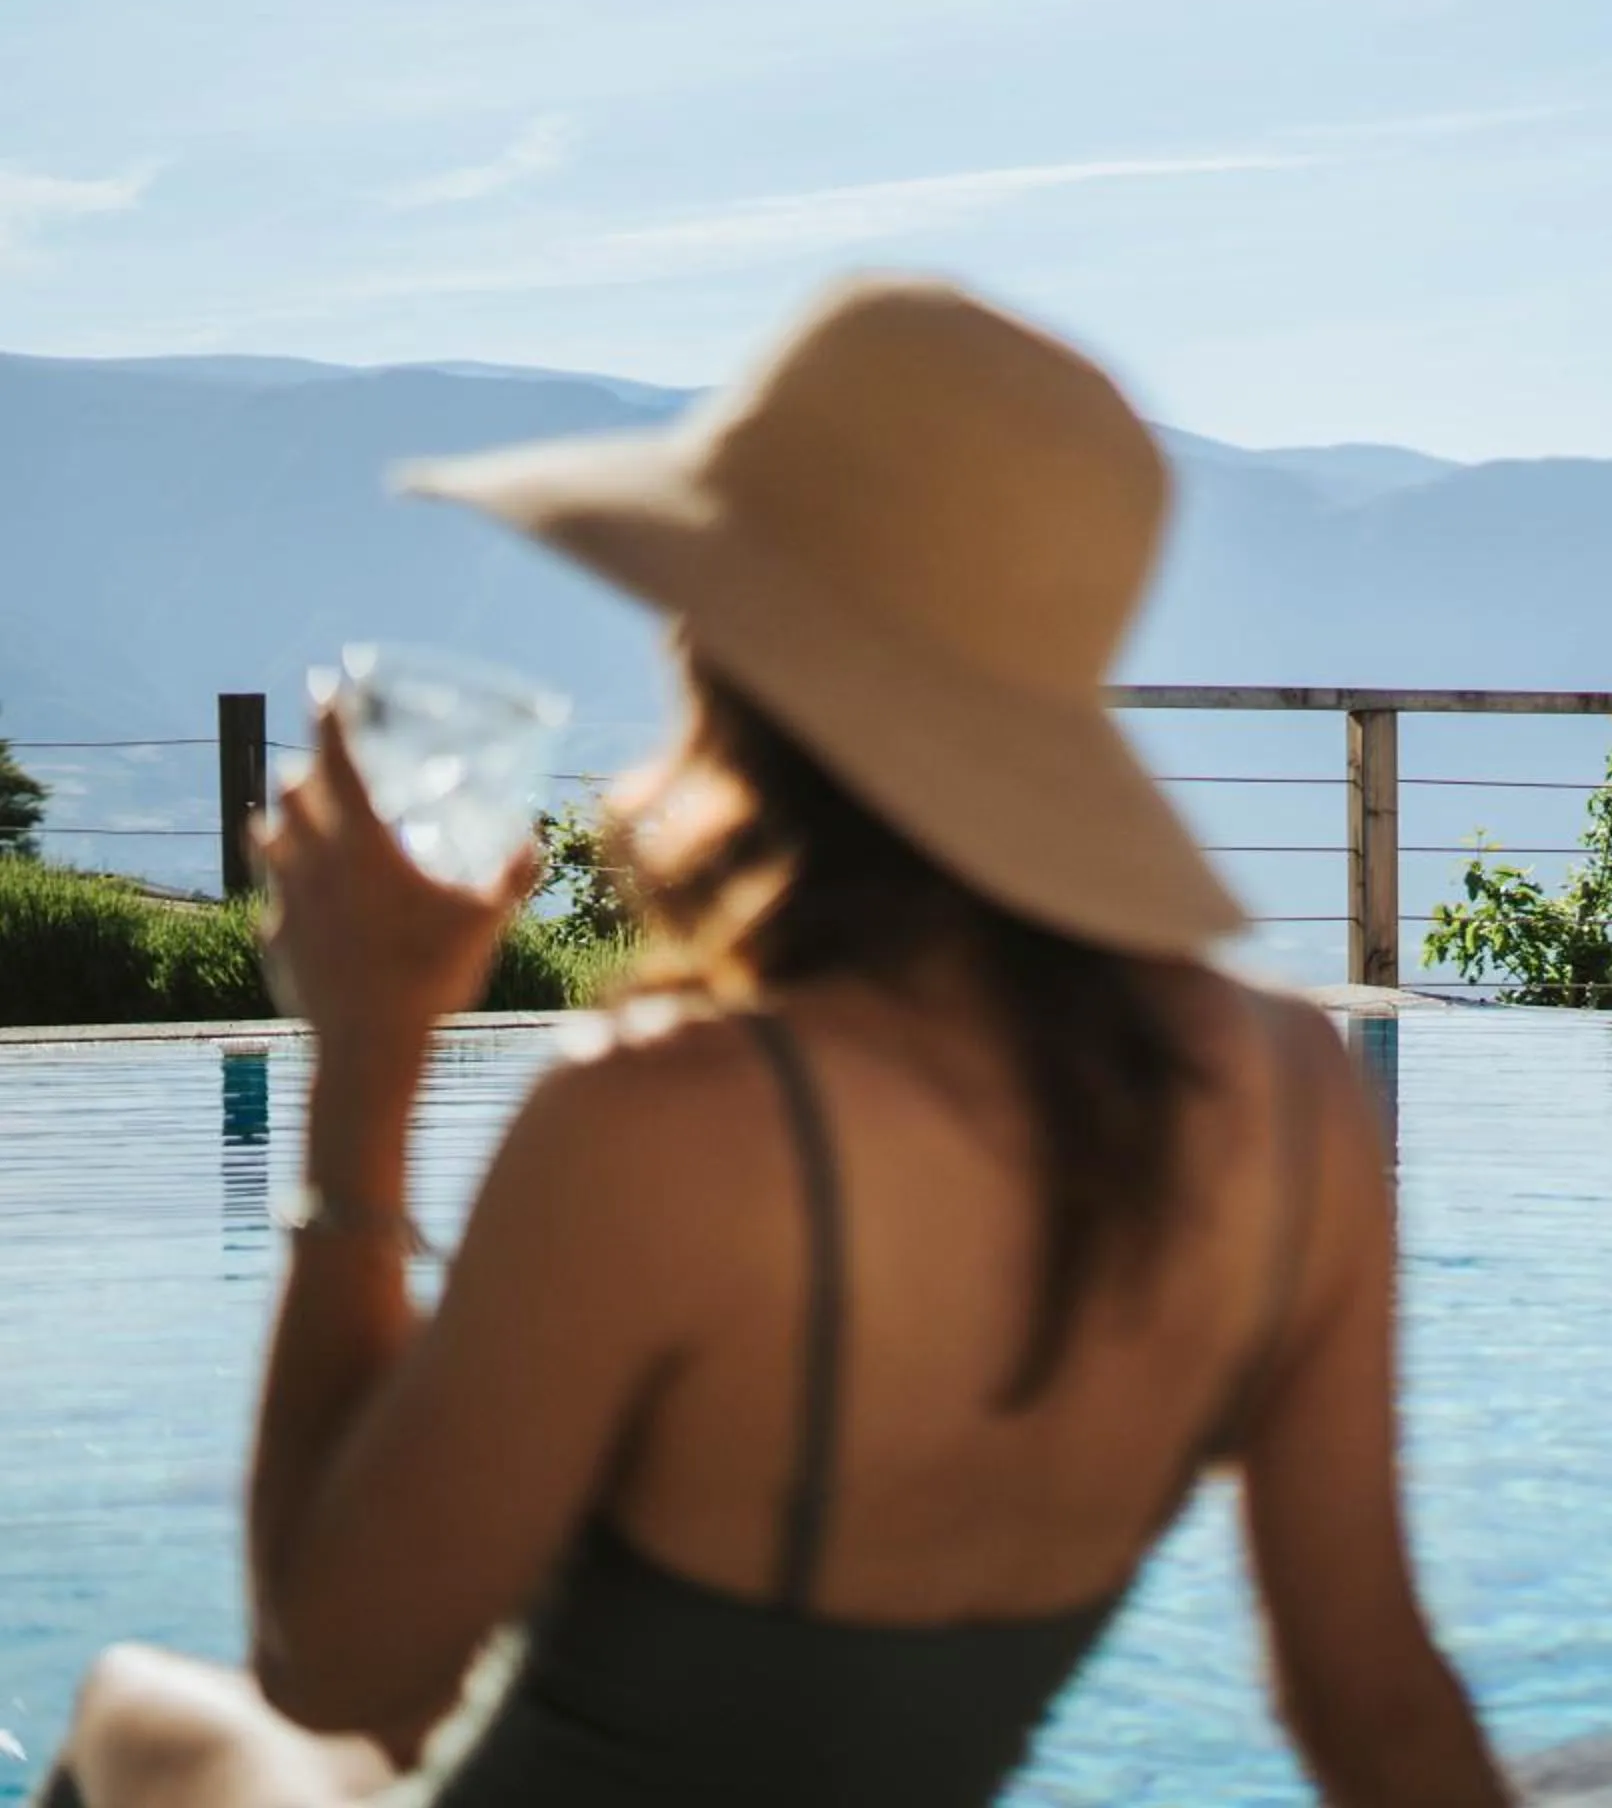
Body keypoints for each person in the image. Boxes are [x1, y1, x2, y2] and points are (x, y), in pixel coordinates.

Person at [48, 278, 1512, 1807]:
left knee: (135, 1715)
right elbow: (1378, 1703)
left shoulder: (667, 1122)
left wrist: (365, 1055)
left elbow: (342, 1670)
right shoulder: (1287, 1103)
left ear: (728, 646)